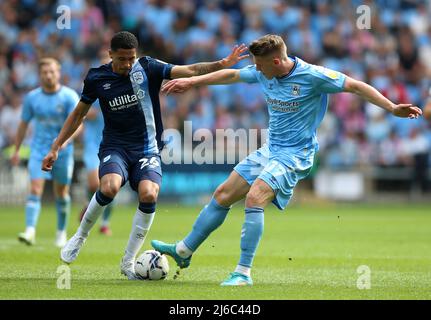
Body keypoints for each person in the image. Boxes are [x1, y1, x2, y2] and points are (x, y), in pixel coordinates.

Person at [151, 34, 422, 286]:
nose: (256, 70)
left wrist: (391, 107)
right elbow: (232, 74)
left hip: (296, 154)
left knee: (255, 197)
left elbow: (355, 86)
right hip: (271, 149)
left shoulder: (313, 76)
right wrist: (192, 81)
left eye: (260, 65)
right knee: (223, 194)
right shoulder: (263, 72)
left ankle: (243, 273)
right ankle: (184, 250)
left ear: (277, 61)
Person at [41, 31, 248, 280]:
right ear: (110, 55)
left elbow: (190, 70)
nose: (128, 64)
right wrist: (56, 146)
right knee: (109, 187)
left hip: (147, 148)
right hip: (115, 146)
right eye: (122, 59)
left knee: (149, 193)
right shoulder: (97, 77)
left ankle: (128, 262)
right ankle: (80, 235)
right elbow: (78, 115)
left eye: (131, 58)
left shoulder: (147, 67)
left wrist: (221, 64)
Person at [11, 57, 80, 247]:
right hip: (39, 150)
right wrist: (16, 150)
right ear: (40, 75)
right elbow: (23, 124)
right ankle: (30, 231)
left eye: (52, 71)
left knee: (62, 193)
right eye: (44, 72)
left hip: (63, 152)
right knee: (35, 189)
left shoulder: (69, 96)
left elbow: (78, 124)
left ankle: (61, 232)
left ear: (58, 73)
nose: (48, 75)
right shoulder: (32, 97)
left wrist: (66, 141)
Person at [80, 100, 115, 235]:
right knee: (95, 184)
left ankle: (105, 224)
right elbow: (84, 113)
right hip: (92, 147)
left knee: (111, 185)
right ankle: (89, 204)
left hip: (112, 145)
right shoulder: (94, 93)